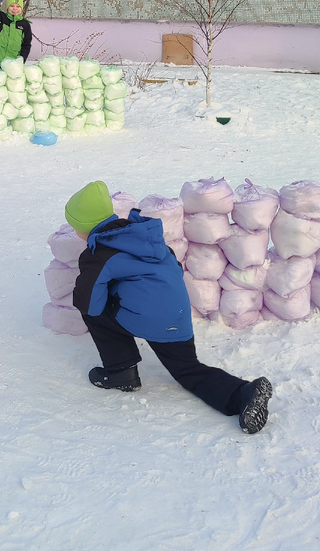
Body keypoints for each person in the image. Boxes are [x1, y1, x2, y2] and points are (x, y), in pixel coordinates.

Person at [66, 180, 273, 434]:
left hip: (150, 318)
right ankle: (243, 394)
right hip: (178, 313)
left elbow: (89, 303)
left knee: (92, 311)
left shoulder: (99, 254)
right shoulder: (142, 236)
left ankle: (120, 372)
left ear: (82, 227)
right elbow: (173, 267)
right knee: (188, 369)